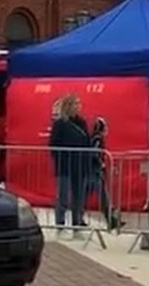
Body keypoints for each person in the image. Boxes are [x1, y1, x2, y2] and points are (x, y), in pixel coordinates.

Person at [48, 94, 91, 235]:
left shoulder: (82, 123)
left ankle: (77, 222)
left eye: (79, 104)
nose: (78, 107)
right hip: (65, 165)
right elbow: (53, 144)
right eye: (75, 104)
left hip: (80, 165)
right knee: (63, 195)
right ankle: (60, 223)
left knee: (79, 196)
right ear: (68, 106)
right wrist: (60, 158)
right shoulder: (60, 124)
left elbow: (86, 142)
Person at [86, 116, 121, 231]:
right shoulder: (97, 138)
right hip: (95, 172)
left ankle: (112, 220)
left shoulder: (94, 137)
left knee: (90, 197)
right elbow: (94, 153)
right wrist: (100, 164)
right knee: (103, 197)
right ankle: (111, 221)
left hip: (92, 171)